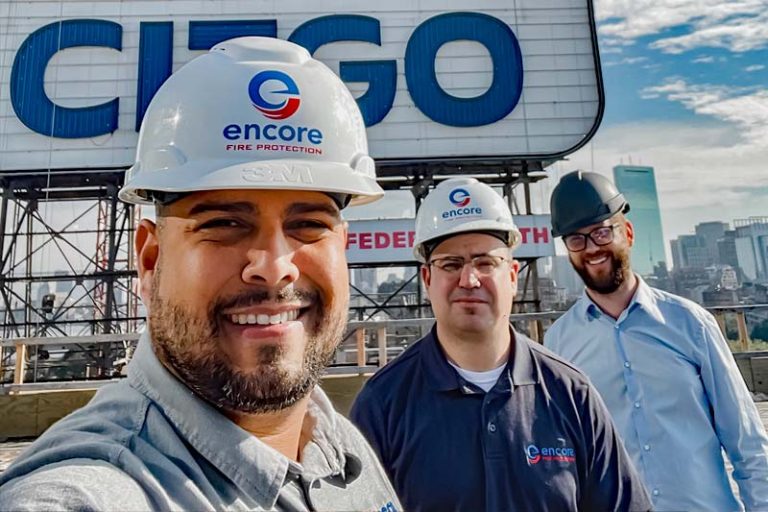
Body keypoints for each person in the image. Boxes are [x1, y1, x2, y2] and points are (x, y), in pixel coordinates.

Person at [0, 37, 400, 512]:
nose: (274, 266)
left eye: (308, 225)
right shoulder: (89, 493)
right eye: (224, 224)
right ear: (150, 261)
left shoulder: (343, 449)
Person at [351, 177, 652, 512]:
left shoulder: (571, 394)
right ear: (426, 280)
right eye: (450, 264)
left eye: (485, 263)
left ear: (512, 276)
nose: (469, 279)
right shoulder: (382, 405)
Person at [545, 170, 768, 511]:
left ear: (628, 233)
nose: (591, 249)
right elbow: (564, 458)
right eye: (576, 239)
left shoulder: (691, 324)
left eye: (602, 232)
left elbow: (747, 442)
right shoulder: (559, 343)